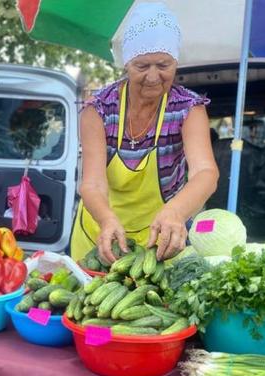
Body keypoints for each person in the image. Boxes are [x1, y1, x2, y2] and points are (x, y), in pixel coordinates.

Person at [70, 3, 219, 264]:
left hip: (160, 237)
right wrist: (106, 219)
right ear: (127, 63)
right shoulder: (99, 109)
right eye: (142, 66)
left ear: (175, 61)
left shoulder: (187, 109)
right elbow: (92, 183)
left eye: (163, 65)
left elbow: (205, 172)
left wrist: (176, 211)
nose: (152, 77)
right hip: (101, 232)